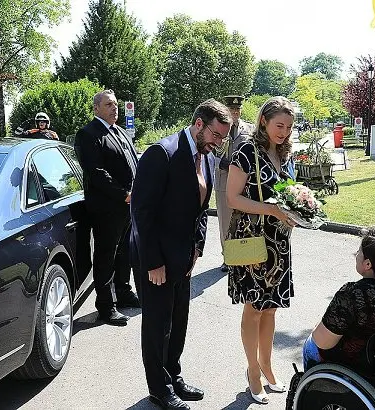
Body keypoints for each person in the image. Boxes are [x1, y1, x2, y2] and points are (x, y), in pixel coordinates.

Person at [130, 99, 232, 410]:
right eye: (216, 135)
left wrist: (198, 247)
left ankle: (173, 376)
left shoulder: (206, 157)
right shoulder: (162, 153)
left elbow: (200, 210)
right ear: (199, 124)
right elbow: (141, 212)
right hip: (157, 259)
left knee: (178, 321)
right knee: (157, 325)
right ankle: (158, 389)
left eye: (223, 138)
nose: (218, 143)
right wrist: (153, 262)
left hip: (184, 256)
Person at [226, 96, 297, 405]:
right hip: (253, 241)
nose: (284, 132)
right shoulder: (245, 152)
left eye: (288, 127)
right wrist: (270, 209)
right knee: (254, 308)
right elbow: (231, 199)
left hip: (279, 242)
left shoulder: (284, 153)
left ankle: (267, 365)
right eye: (279, 125)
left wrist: (296, 209)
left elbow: (286, 193)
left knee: (270, 308)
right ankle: (253, 371)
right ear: (264, 121)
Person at [302, 226, 375, 371]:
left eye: (359, 252)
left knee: (310, 345)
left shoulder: (353, 293)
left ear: (368, 264)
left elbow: (322, 342)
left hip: (357, 362)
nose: (356, 254)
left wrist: (317, 328)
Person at [74, 89, 140, 326]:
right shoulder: (88, 134)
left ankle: (123, 292)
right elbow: (96, 172)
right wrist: (123, 194)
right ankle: (106, 306)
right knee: (106, 257)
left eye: (116, 104)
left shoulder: (120, 132)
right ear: (96, 109)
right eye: (109, 104)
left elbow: (133, 162)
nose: (115, 108)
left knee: (125, 253)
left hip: (128, 206)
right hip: (107, 208)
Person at [214, 95, 254, 273]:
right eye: (232, 110)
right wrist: (219, 162)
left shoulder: (249, 129)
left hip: (243, 182)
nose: (235, 112)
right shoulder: (218, 128)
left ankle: (242, 256)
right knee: (225, 221)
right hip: (224, 179)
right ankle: (228, 258)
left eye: (238, 109)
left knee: (244, 221)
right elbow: (209, 151)